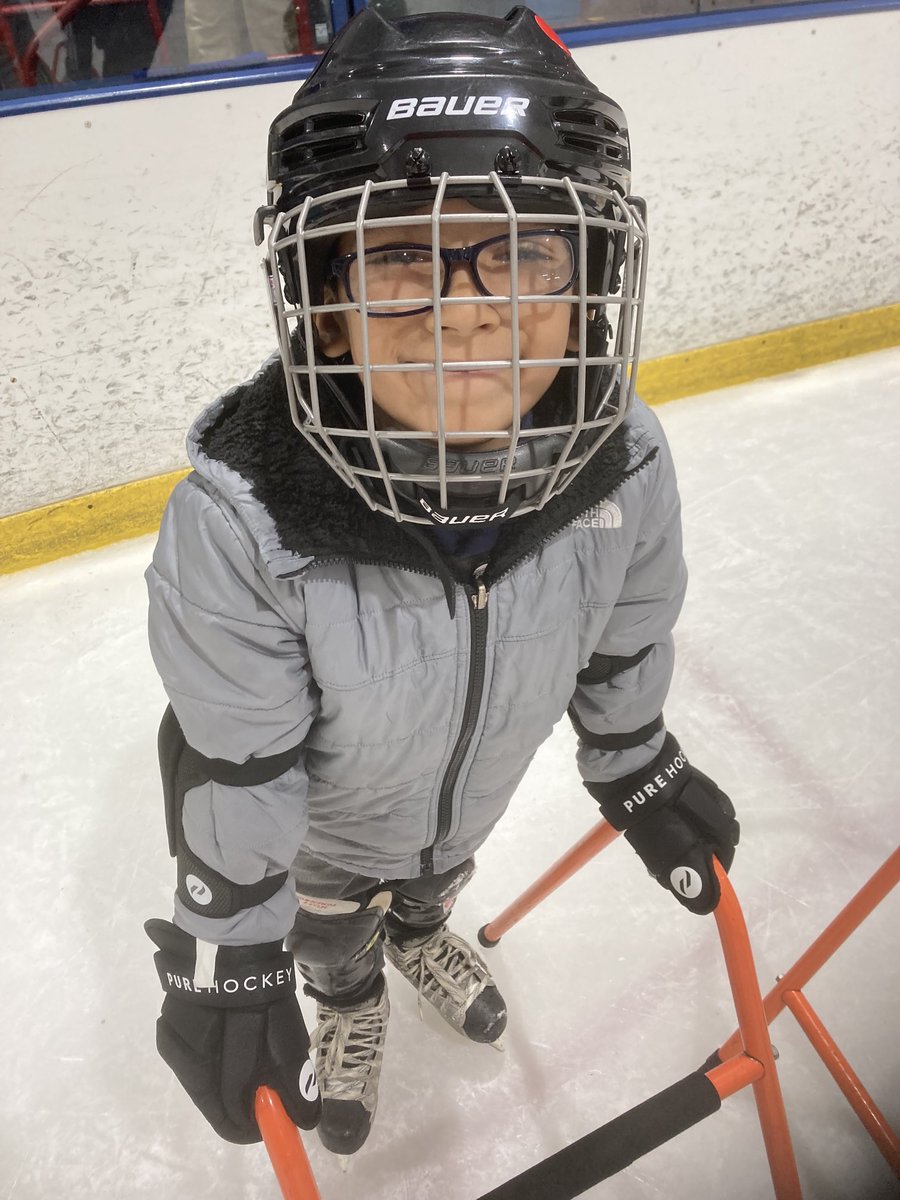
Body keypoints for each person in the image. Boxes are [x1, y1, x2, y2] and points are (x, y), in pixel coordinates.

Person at [144, 4, 740, 1158]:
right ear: (320, 298)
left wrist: (631, 753)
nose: (469, 308)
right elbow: (237, 762)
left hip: (472, 798)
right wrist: (232, 940)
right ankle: (350, 994)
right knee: (335, 928)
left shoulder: (629, 459)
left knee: (434, 881)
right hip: (323, 839)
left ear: (593, 282)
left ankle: (419, 931)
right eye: (403, 257)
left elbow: (622, 632)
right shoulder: (240, 520)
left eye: (526, 253)